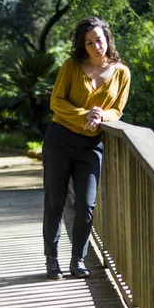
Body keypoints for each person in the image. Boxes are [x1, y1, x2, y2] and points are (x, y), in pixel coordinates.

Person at [42, 16, 131, 279]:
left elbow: (117, 109)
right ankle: (51, 260)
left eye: (99, 40)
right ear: (83, 45)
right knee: (55, 202)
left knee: (86, 204)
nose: (95, 46)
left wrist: (100, 116)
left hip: (91, 147)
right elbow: (56, 102)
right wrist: (84, 115)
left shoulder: (122, 72)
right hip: (60, 141)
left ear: (107, 39)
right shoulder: (71, 66)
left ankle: (77, 260)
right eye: (89, 42)